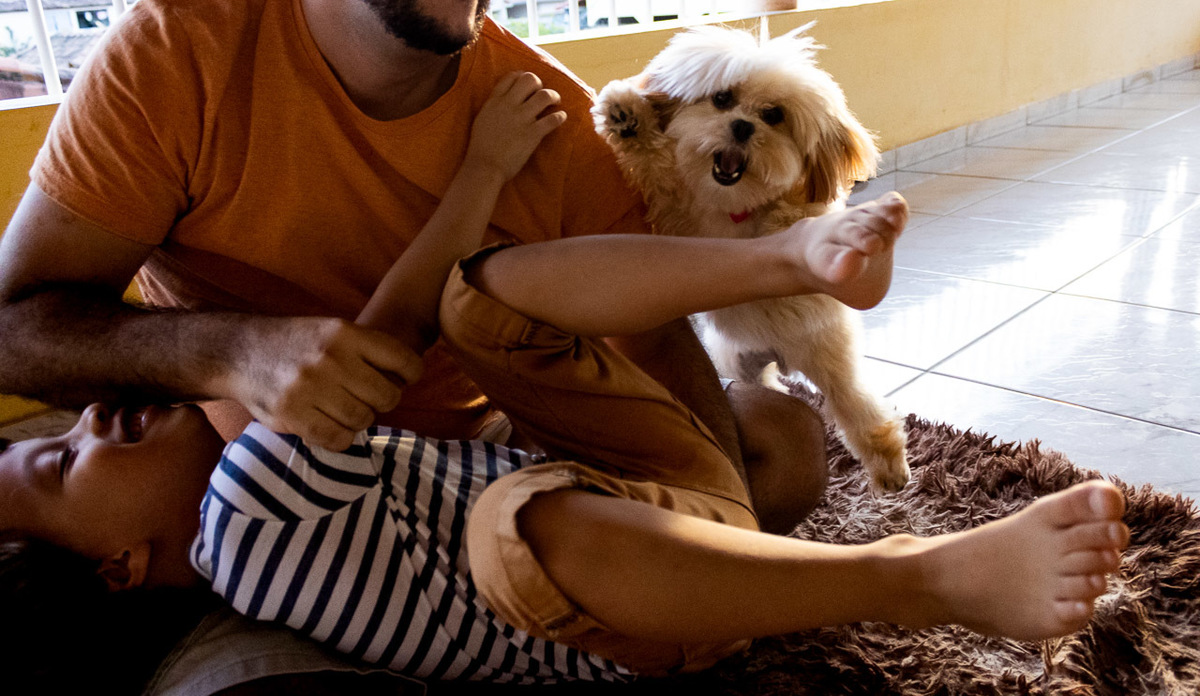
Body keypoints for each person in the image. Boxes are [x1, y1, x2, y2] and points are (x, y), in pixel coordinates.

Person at [0, 77, 1129, 688]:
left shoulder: (255, 493)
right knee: (510, 516)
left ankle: (788, 255)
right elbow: (388, 317)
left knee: (481, 302)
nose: (90, 413)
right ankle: (918, 577)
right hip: (641, 614)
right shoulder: (243, 514)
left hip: (644, 485)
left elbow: (416, 317)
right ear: (121, 566)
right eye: (60, 457)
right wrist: (486, 168)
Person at [0, 0, 822, 541]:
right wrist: (229, 351)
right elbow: (15, 329)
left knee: (779, 449)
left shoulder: (547, 115)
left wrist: (723, 517)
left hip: (487, 454)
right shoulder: (181, 57)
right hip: (243, 473)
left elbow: (650, 340)